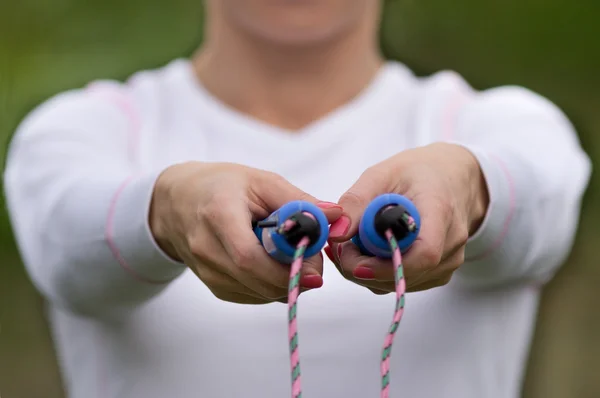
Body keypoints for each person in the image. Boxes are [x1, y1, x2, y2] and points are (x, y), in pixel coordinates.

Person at [3, 1, 591, 397]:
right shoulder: (85, 130)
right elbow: (69, 251)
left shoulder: (499, 124)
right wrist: (168, 210)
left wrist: (467, 187)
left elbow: (534, 204)